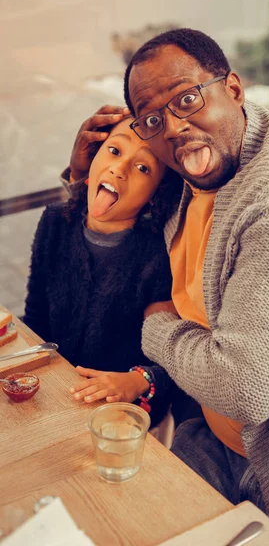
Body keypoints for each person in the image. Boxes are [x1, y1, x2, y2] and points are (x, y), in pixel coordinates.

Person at [70, 29, 269, 545]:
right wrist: (79, 178)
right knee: (96, 516)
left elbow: (244, 389)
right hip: (211, 434)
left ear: (236, 89)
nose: (175, 128)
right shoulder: (193, 178)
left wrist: (158, 326)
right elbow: (111, 230)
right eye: (153, 119)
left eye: (187, 98)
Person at [24, 115, 183, 426]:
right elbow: (36, 318)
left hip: (126, 416)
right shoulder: (55, 223)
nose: (119, 169)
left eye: (143, 168)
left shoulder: (163, 257)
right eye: (114, 151)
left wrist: (137, 380)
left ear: (156, 194)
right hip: (54, 395)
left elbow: (173, 362)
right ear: (94, 156)